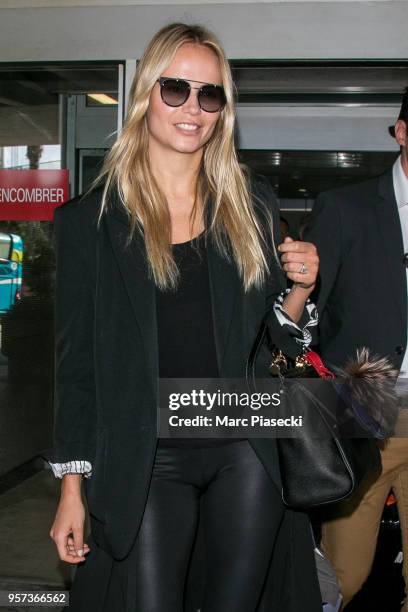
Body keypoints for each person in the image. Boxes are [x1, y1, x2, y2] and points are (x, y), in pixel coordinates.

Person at [46, 23, 321, 611]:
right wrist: (72, 487)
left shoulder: (251, 207)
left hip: (245, 440)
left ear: (223, 109)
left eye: (209, 94)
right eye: (176, 89)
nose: (193, 108)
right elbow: (76, 370)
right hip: (146, 451)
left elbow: (278, 343)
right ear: (147, 92)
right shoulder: (89, 223)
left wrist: (300, 287)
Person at [304, 87, 408, 610]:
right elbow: (309, 319)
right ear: (402, 131)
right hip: (367, 415)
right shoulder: (344, 209)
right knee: (344, 574)